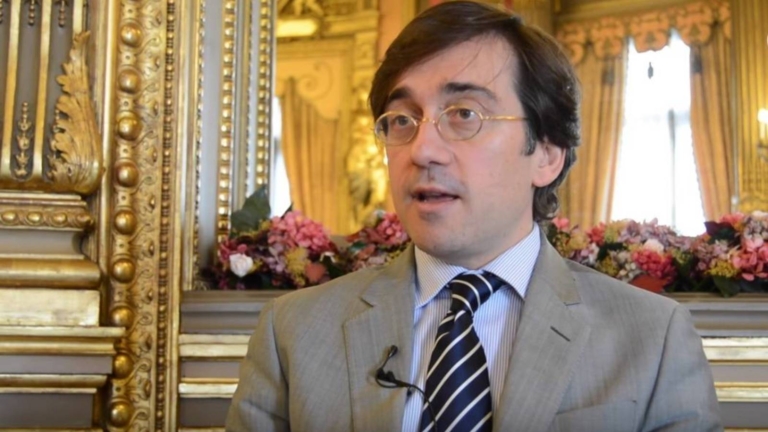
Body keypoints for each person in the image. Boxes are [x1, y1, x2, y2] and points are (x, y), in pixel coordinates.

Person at [226, 2, 722, 431]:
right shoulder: (294, 333)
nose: (422, 149)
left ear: (547, 153)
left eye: (464, 114)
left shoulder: (652, 339)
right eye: (402, 120)